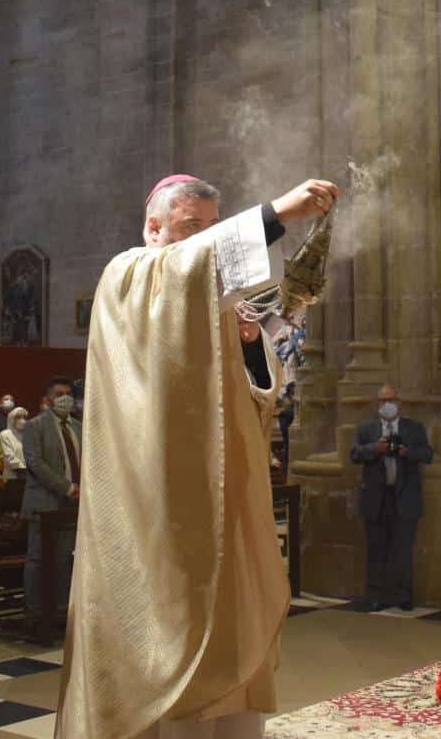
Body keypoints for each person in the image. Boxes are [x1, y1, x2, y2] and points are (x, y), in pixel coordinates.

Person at [58, 174, 339, 739]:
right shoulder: (128, 274)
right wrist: (278, 212)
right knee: (168, 650)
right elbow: (185, 270)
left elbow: (258, 398)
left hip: (222, 503)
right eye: (191, 227)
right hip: (153, 516)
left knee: (232, 650)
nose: (203, 241)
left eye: (213, 229)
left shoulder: (208, 299)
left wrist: (247, 343)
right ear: (153, 227)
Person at [350, 385, 434, 612]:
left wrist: (408, 452)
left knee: (403, 550)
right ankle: (375, 596)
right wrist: (374, 449)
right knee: (376, 550)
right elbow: (354, 454)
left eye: (391, 399)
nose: (386, 404)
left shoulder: (413, 428)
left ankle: (404, 596)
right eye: (382, 400)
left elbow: (428, 455)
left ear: (400, 403)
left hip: (404, 497)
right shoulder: (367, 429)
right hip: (377, 498)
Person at [21, 377, 78, 630]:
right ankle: (34, 613)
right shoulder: (36, 426)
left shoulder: (77, 425)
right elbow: (36, 463)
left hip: (71, 504)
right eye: (58, 393)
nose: (64, 398)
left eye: (68, 393)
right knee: (38, 558)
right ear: (48, 398)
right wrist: (66, 487)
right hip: (45, 501)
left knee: (64, 558)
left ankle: (61, 610)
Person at [0, 407, 29, 480]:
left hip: (29, 476)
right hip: (12, 477)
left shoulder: (29, 434)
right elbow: (9, 456)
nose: (22, 420)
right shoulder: (5, 434)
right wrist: (21, 470)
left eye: (24, 417)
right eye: (18, 417)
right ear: (12, 419)